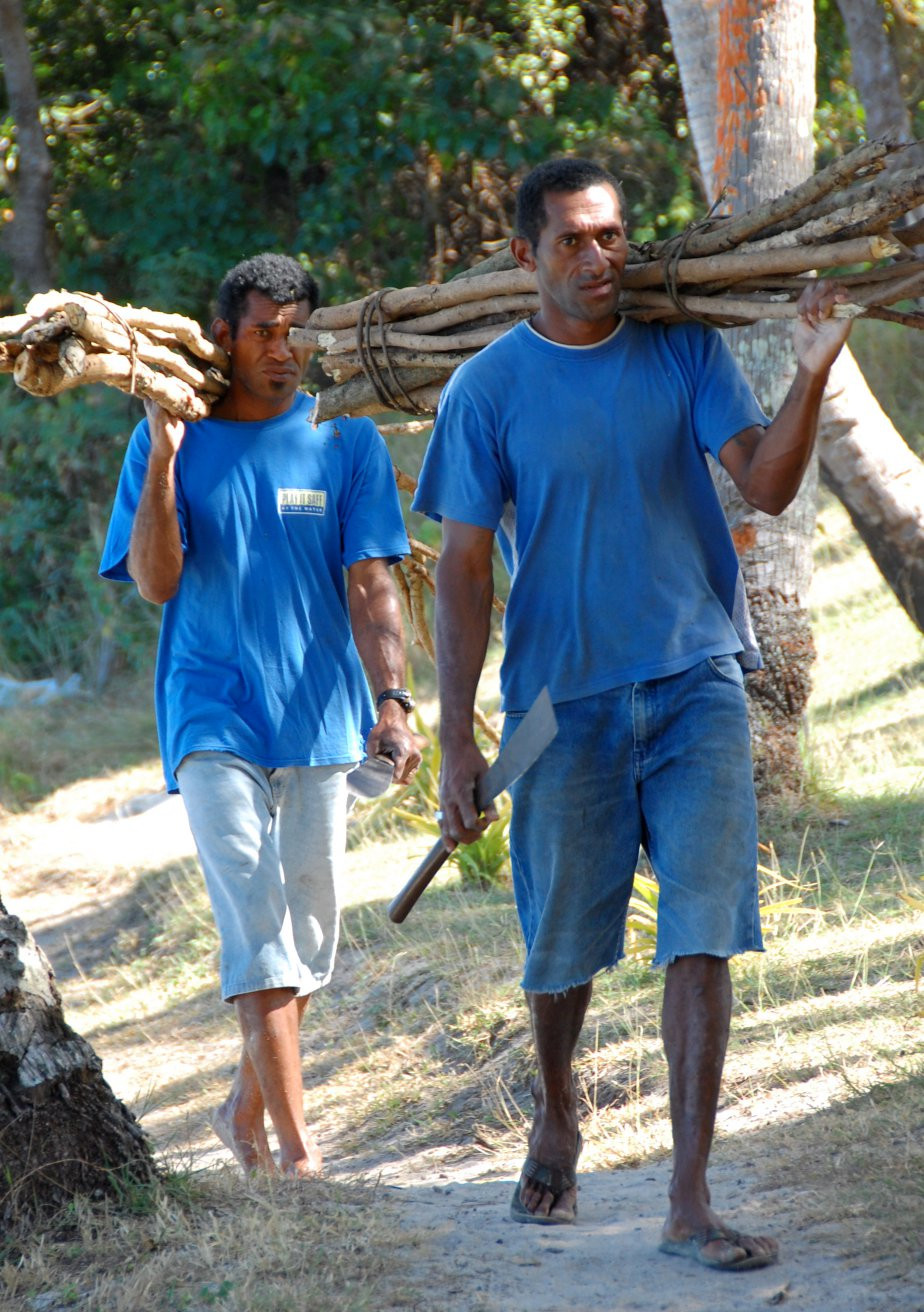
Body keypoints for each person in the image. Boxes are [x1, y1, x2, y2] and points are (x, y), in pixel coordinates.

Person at [411, 158, 851, 1268]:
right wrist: (459, 735)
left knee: (703, 933)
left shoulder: (685, 351)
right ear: (525, 255)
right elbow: (462, 572)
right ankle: (559, 1108)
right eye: (572, 241)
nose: (599, 259)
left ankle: (689, 1197)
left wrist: (811, 372)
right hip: (559, 707)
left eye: (611, 236)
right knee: (562, 948)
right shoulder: (487, 390)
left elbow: (767, 484)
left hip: (698, 676)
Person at [100, 252, 420, 1177]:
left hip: (322, 717)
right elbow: (157, 582)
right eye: (264, 333)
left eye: (297, 333)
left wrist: (393, 701)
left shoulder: (345, 438)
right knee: (258, 927)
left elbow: (370, 581)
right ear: (225, 339)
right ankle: (296, 1151)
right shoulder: (172, 441)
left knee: (308, 938)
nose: (283, 352)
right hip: (210, 716)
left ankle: (243, 1114)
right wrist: (163, 454)